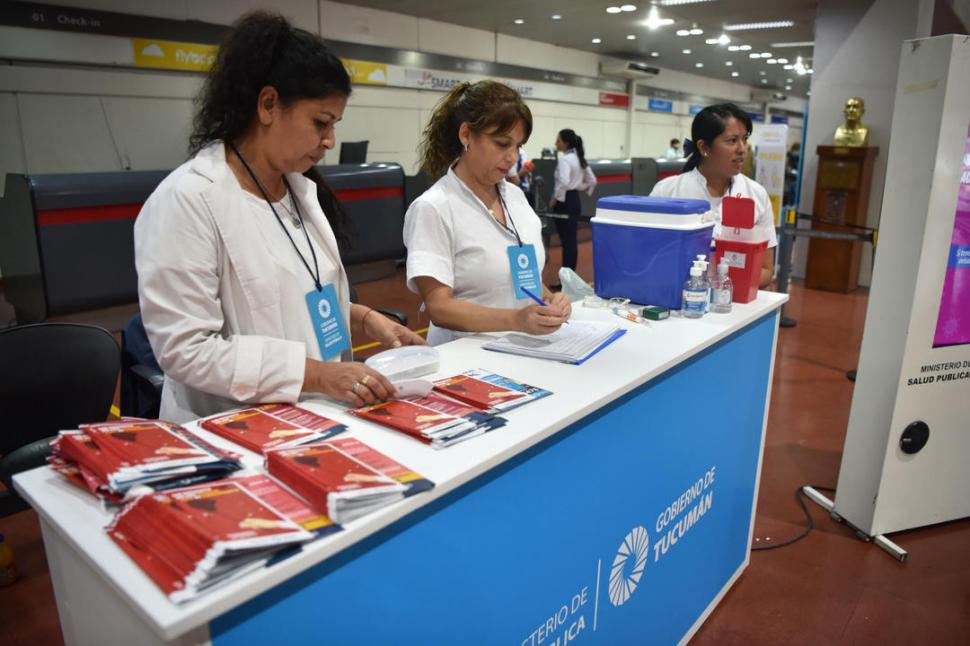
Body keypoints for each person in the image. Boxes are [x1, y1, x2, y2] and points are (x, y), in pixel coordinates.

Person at [134, 11, 424, 423]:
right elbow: (188, 350)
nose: (330, 141)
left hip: (314, 417)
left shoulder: (299, 191)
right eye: (320, 123)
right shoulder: (188, 201)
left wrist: (365, 318)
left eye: (335, 124)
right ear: (268, 104)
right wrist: (318, 374)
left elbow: (295, 299)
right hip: (228, 428)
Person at [404, 81, 571, 346]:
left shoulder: (515, 198)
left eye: (518, 145)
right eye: (502, 144)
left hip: (524, 348)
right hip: (466, 358)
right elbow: (439, 307)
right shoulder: (434, 207)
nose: (512, 157)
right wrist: (517, 319)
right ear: (466, 135)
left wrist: (549, 300)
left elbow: (523, 278)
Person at [651, 103, 777, 288]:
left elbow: (766, 270)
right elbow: (649, 257)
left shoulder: (755, 194)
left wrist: (723, 288)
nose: (742, 149)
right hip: (679, 303)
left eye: (745, 139)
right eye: (732, 140)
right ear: (704, 147)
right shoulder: (667, 192)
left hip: (734, 306)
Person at [547, 129, 596, 280]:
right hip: (574, 200)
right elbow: (592, 181)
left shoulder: (565, 160)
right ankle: (569, 279)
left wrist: (555, 199)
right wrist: (580, 189)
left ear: (566, 143)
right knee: (571, 241)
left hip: (564, 202)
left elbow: (563, 182)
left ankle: (566, 281)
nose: (556, 143)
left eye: (558, 141)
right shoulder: (579, 158)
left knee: (566, 242)